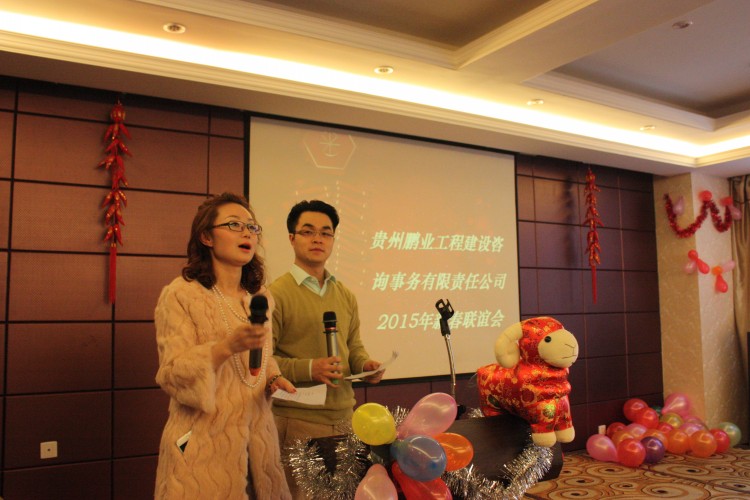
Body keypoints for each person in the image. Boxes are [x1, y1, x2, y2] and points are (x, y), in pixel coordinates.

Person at [154, 192, 295, 499]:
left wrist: (273, 377)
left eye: (252, 227)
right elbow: (171, 374)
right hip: (201, 447)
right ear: (206, 237)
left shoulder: (260, 297)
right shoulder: (181, 295)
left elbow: (262, 357)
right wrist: (224, 347)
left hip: (259, 444)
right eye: (234, 225)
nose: (247, 233)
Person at [270, 199, 384, 497]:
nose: (317, 239)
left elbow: (353, 347)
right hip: (297, 420)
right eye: (308, 231)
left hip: (345, 418)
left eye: (325, 232)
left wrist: (365, 366)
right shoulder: (275, 294)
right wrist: (311, 368)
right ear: (292, 238)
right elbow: (261, 362)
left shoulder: (344, 294)